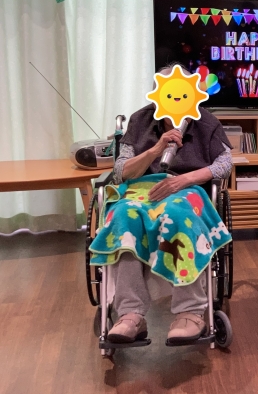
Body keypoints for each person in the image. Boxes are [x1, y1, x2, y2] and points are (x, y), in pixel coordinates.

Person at [89, 64, 233, 343]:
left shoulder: (206, 122)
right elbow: (121, 171)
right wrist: (156, 149)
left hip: (187, 189)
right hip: (141, 189)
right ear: (158, 96)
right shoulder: (140, 120)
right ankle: (130, 314)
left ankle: (190, 311)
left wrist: (185, 180)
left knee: (178, 215)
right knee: (123, 216)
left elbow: (225, 164)